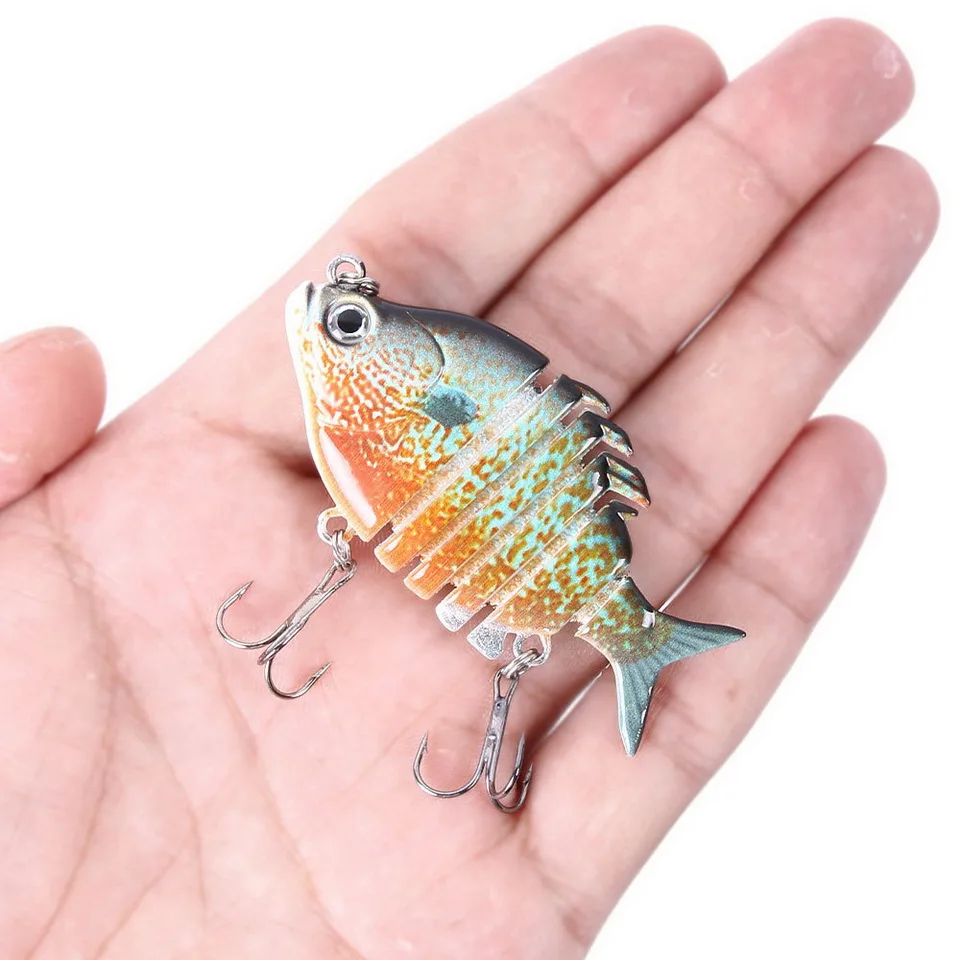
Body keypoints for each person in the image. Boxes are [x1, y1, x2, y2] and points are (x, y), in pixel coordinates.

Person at [0, 18, 936, 960]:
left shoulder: (395, 403)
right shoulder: (356, 422)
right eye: (350, 321)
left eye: (352, 324)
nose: (332, 325)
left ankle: (636, 640)